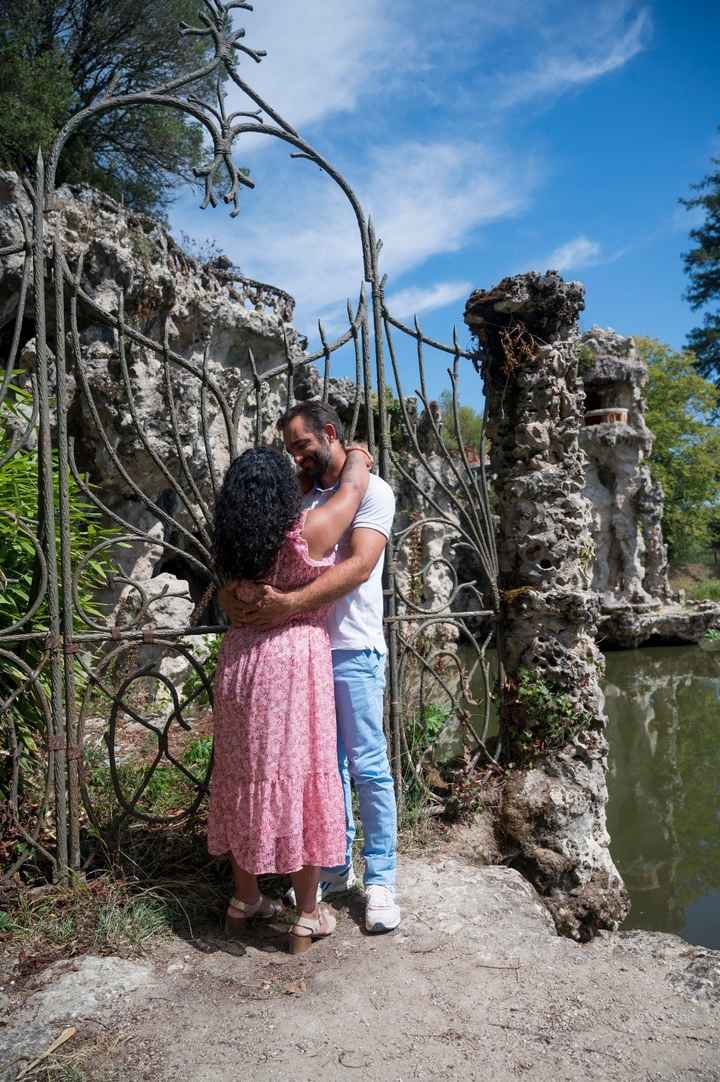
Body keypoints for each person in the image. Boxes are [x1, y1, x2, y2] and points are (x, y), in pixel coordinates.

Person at [220, 402, 400, 933]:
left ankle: (381, 879)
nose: (296, 455)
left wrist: (287, 605)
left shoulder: (373, 491)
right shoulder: (296, 500)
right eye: (289, 449)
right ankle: (332, 867)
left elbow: (361, 566)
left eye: (302, 444)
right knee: (325, 773)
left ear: (328, 433)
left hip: (349, 647)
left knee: (366, 766)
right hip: (299, 657)